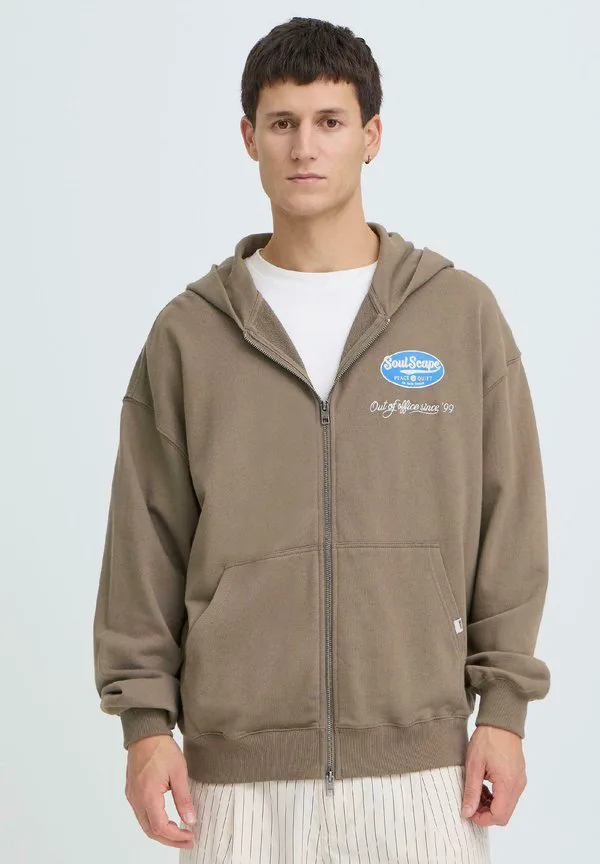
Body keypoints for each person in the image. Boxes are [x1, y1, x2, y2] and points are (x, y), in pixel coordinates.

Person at [92, 16, 550, 863]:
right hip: (235, 782)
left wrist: (505, 712)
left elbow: (510, 520)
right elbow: (144, 540)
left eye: (330, 121)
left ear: (371, 137)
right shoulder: (189, 335)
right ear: (249, 139)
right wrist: (145, 727)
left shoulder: (459, 316)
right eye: (283, 122)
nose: (305, 146)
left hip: (425, 771)